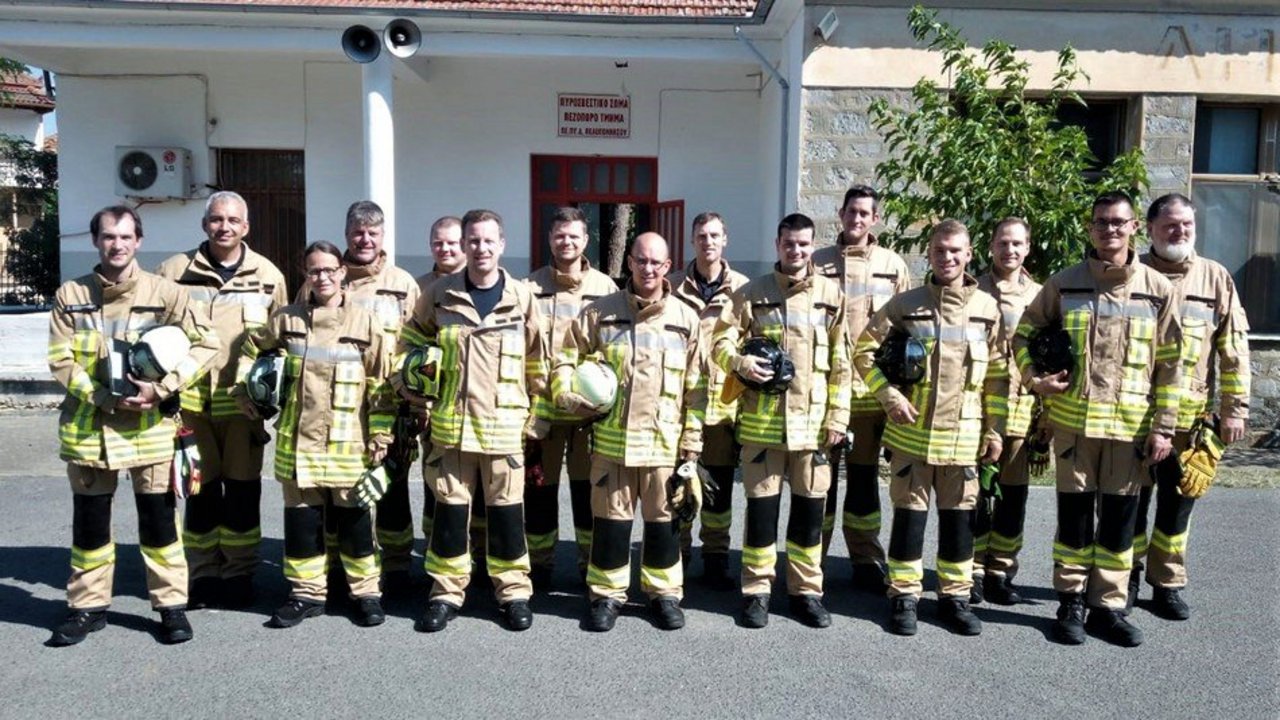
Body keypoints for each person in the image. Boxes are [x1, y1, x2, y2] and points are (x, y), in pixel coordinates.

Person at [1014, 191, 1181, 647]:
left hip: (1130, 429)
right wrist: (1035, 379)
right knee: (1074, 520)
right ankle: (1069, 602)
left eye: (1118, 222)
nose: (1109, 229)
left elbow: (1171, 365)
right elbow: (1023, 334)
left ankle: (1107, 606)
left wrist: (1164, 428)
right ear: (1090, 229)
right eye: (1101, 222)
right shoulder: (1065, 284)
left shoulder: (1157, 289)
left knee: (1119, 522)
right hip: (1074, 427)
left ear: (1134, 229)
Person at [47, 205, 218, 645]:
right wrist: (103, 396)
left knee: (160, 525)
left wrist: (163, 389)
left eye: (125, 237)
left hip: (151, 428)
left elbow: (206, 344)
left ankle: (170, 608)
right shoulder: (72, 295)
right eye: (108, 237)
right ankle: (87, 608)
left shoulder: (168, 293)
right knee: (90, 526)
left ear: (138, 240)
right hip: (90, 430)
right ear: (95, 241)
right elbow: (60, 358)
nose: (117, 245)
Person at [854, 220, 1009, 637]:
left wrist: (995, 431)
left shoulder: (988, 309)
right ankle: (903, 596)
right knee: (909, 520)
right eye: (940, 251)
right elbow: (864, 353)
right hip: (911, 437)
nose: (947, 258)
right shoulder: (906, 305)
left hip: (964, 439)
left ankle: (955, 598)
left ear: (970, 254)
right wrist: (889, 396)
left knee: (960, 522)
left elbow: (997, 376)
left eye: (955, 251)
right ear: (929, 253)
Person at [399, 209, 548, 633]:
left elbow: (539, 364)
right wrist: (408, 383)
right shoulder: (440, 295)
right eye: (473, 241)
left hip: (505, 430)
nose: (480, 249)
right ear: (463, 245)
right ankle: (445, 594)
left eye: (488, 241)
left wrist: (536, 421)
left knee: (506, 518)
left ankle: (513, 593)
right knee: (449, 516)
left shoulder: (521, 298)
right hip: (451, 427)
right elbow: (409, 341)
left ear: (502, 245)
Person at [236, 241, 395, 629]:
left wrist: (381, 435)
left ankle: (366, 594)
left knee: (357, 524)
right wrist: (246, 390)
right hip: (298, 444)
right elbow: (251, 349)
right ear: (304, 275)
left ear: (342, 273)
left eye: (329, 270)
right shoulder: (286, 319)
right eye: (313, 270)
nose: (322, 277)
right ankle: (305, 594)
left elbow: (382, 384)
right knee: (302, 525)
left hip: (349, 443)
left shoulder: (366, 322)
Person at [553, 232, 706, 632]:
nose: (648, 269)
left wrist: (691, 442)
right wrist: (569, 396)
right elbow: (565, 361)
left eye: (656, 262)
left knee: (663, 524)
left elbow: (698, 388)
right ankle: (605, 595)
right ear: (630, 264)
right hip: (611, 444)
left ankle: (664, 595)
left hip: (663, 446)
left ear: (667, 265)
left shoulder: (686, 319)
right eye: (641, 261)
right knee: (610, 524)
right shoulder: (600, 313)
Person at [712, 212, 850, 629]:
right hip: (762, 429)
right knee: (762, 515)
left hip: (813, 431)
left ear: (812, 246)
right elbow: (719, 342)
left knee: (810, 516)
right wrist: (738, 362)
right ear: (777, 245)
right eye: (789, 243)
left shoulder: (831, 294)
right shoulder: (751, 294)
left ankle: (806, 592)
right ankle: (756, 592)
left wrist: (839, 416)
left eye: (804, 244)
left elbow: (842, 362)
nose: (796, 251)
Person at [156, 191, 288, 610]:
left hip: (243, 410)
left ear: (246, 227)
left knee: (244, 494)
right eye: (216, 219)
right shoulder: (173, 272)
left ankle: (239, 573)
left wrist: (269, 396)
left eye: (233, 220)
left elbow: (280, 342)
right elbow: (152, 335)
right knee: (200, 492)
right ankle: (203, 573)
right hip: (191, 406)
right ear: (204, 224)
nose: (224, 227)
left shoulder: (268, 276)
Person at [1134, 193, 1250, 620]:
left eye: (1186, 225)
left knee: (1178, 504)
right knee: (1130, 502)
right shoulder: (1134, 274)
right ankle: (1124, 576)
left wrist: (1234, 408)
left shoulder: (1216, 278)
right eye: (1170, 225)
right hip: (1135, 416)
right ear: (1150, 229)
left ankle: (1166, 584)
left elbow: (1234, 350)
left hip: (1189, 420)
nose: (1179, 232)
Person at [298, 202, 420, 592]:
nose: (365, 239)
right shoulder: (326, 278)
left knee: (391, 486)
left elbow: (417, 342)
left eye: (373, 233)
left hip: (391, 401)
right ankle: (339, 565)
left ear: (383, 236)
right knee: (338, 489)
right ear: (347, 234)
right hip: (338, 409)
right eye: (357, 232)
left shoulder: (403, 284)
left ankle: (398, 567)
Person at [812, 185, 911, 593]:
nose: (856, 219)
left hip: (872, 395)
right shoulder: (818, 263)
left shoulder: (893, 265)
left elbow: (907, 331)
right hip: (826, 393)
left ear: (875, 220)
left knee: (865, 481)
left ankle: (866, 558)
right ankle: (810, 559)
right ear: (841, 214)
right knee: (820, 482)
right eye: (851, 212)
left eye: (864, 213)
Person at [524, 207, 618, 587]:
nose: (567, 242)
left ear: (586, 240)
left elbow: (613, 349)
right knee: (539, 494)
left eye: (574, 236)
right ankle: (540, 564)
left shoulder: (605, 288)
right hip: (541, 414)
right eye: (560, 235)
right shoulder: (529, 288)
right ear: (550, 239)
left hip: (586, 419)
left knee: (587, 494)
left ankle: (587, 563)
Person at [668, 211, 749, 589]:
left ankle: (716, 555)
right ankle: (678, 553)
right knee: (679, 484)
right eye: (701, 236)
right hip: (679, 404)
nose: (708, 242)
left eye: (715, 235)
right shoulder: (671, 287)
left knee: (717, 487)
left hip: (722, 407)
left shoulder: (744, 290)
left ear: (725, 240)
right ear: (692, 241)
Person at [970, 218, 1043, 606]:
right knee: (976, 494)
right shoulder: (971, 289)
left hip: (1022, 411)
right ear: (991, 246)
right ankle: (973, 570)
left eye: (1017, 244)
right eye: (1002, 243)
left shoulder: (1043, 295)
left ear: (1027, 248)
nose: (1009, 250)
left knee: (1013, 497)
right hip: (975, 410)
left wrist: (1045, 416)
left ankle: (1001, 570)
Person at [412, 216, 467, 549]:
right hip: (432, 405)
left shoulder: (482, 286)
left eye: (452, 242)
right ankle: (436, 546)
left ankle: (474, 550)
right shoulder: (416, 288)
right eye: (438, 242)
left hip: (472, 406)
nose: (445, 248)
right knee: (436, 478)